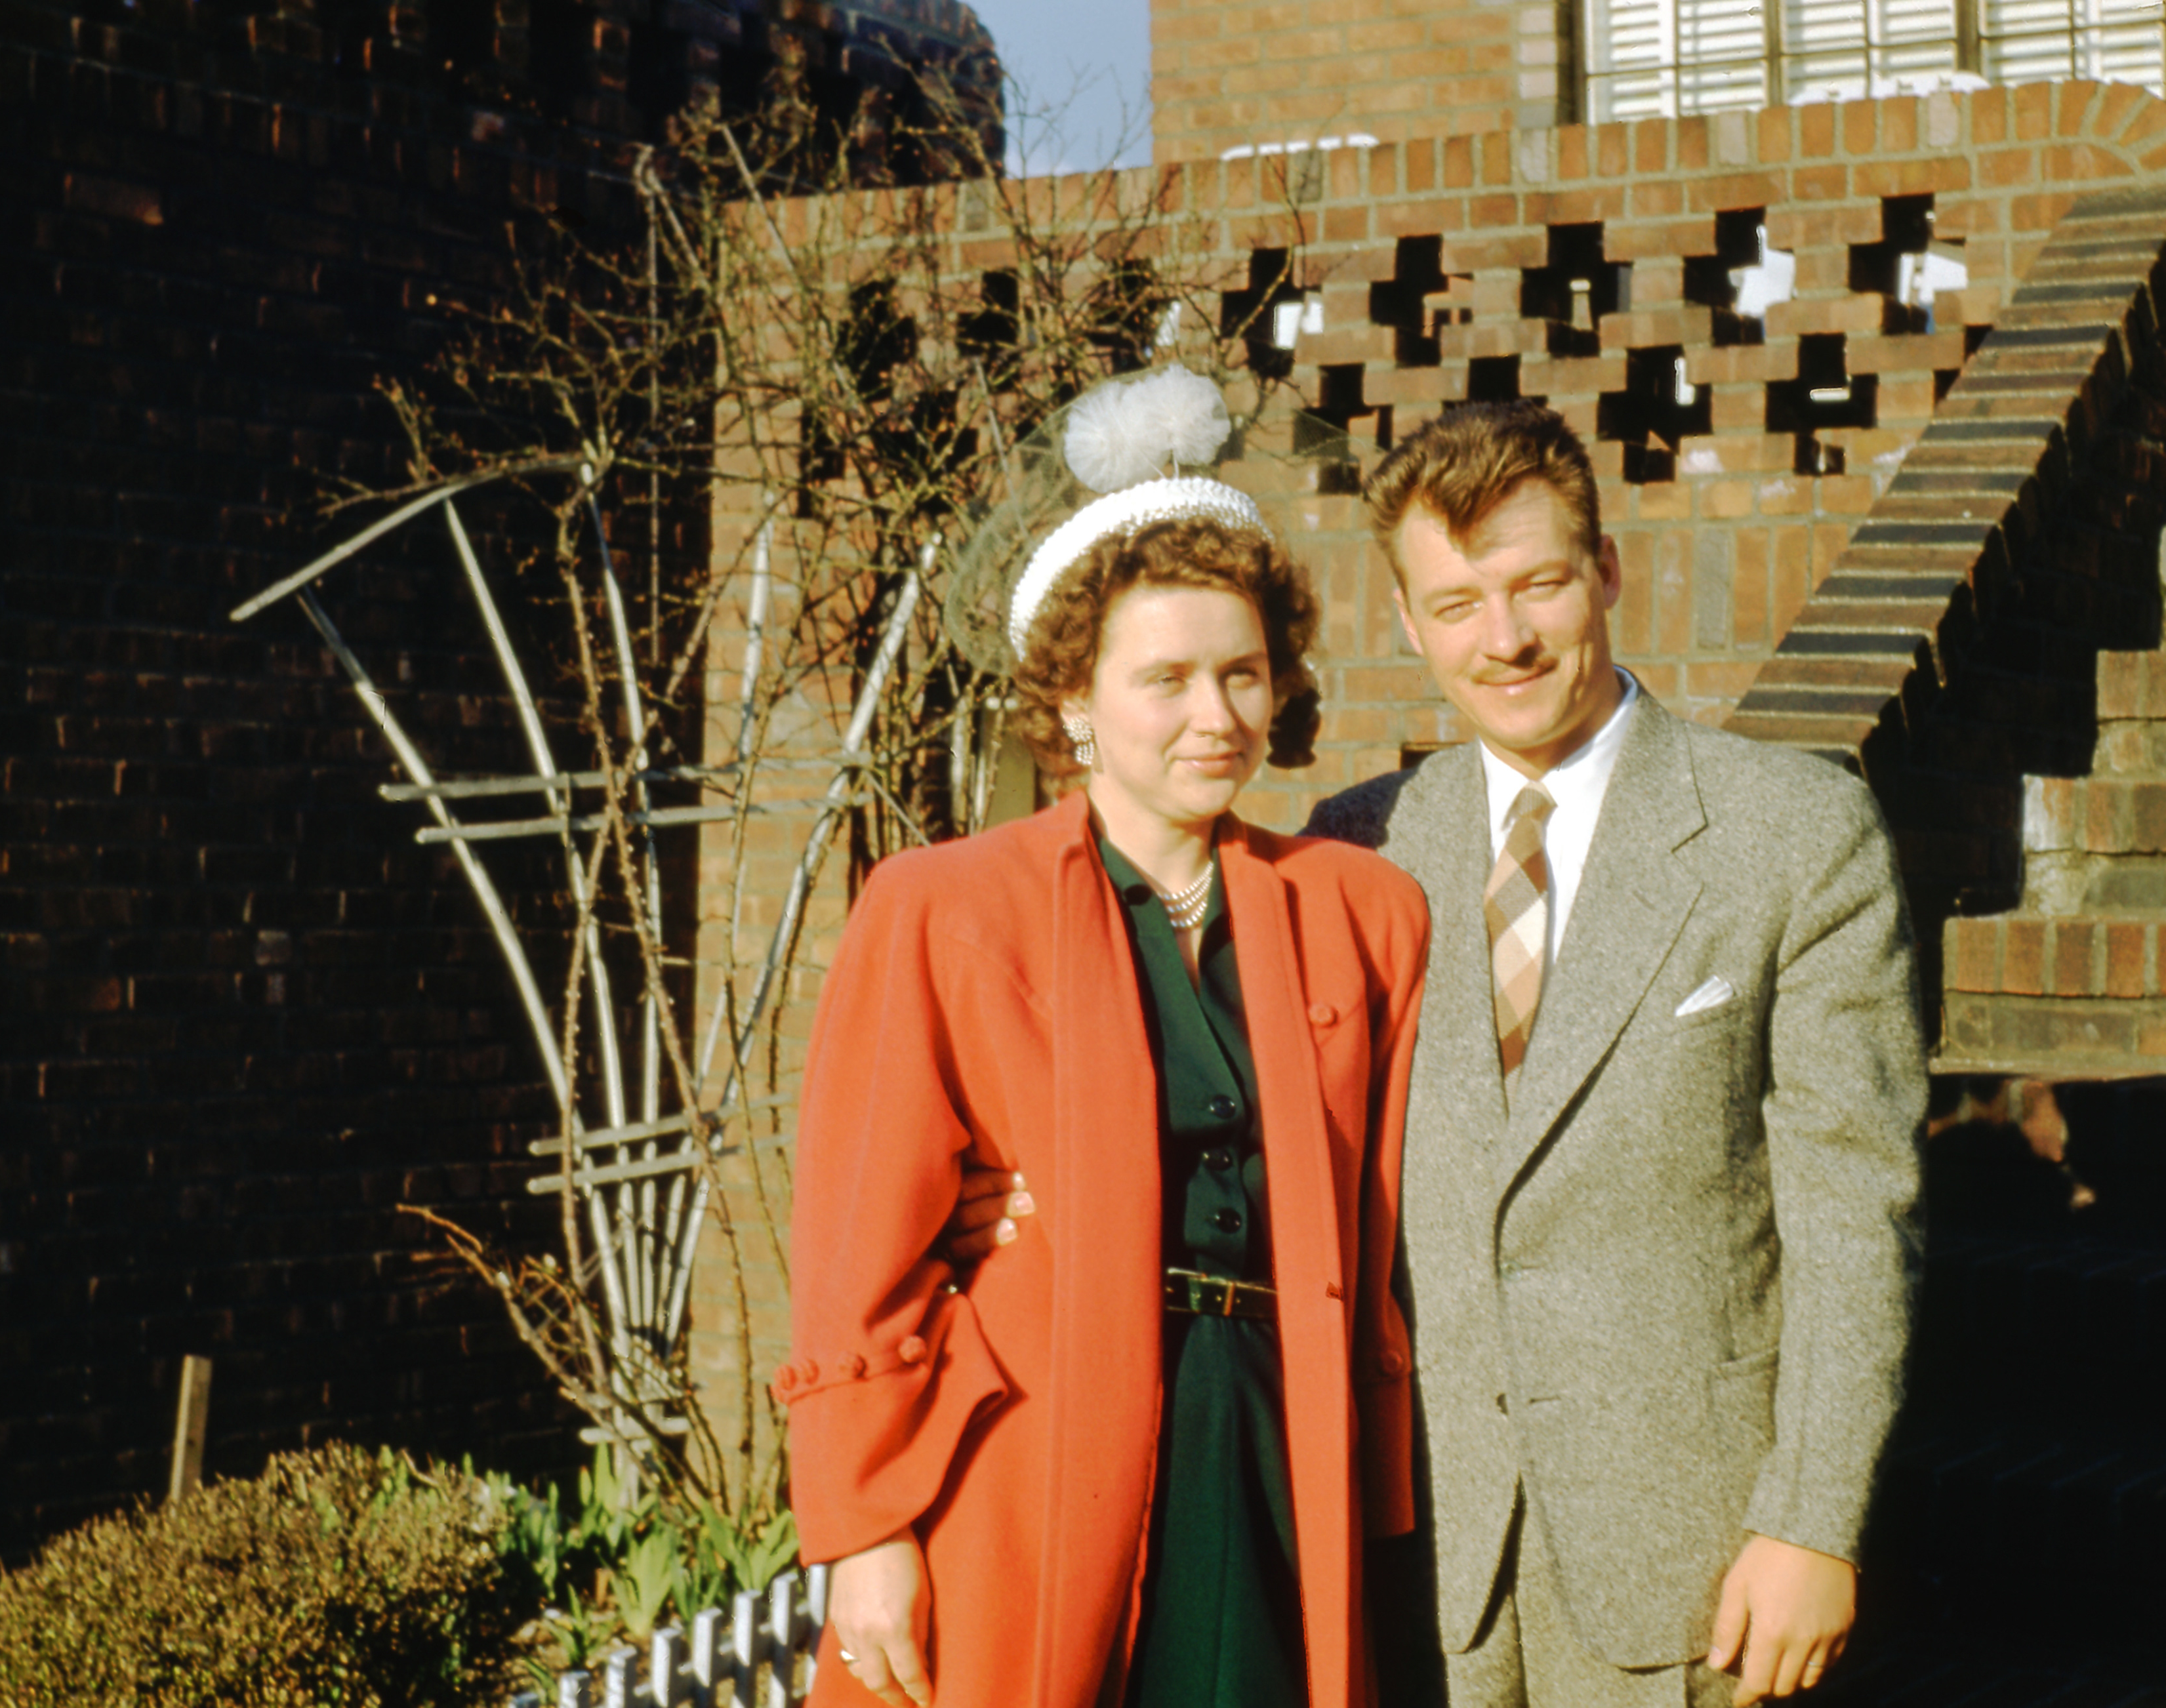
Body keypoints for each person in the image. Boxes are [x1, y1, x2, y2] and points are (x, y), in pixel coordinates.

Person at [949, 399, 1925, 1707]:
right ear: (1408, 623)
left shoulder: (1792, 835)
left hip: (1689, 1552)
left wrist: (1812, 1522)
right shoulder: (1357, 852)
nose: (1505, 638)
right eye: (1456, 603)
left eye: (1539, 585)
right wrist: (1008, 1204)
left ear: (1607, 575)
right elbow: (1216, 1114)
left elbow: (1857, 1216)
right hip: (1413, 1557)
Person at [777, 369, 1431, 1708]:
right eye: (1168, 679)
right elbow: (858, 1250)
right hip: (1023, 1452)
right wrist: (864, 1529)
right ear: (1074, 699)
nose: (1217, 716)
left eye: (1244, 674)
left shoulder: (1361, 912)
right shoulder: (943, 909)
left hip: (1273, 1441)